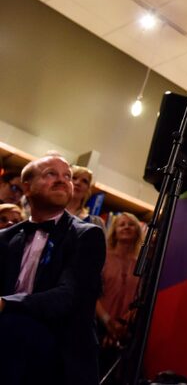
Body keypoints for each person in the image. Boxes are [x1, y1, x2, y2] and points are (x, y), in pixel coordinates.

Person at [0, 155, 106, 384]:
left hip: (60, 356)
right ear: (27, 187)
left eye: (67, 176)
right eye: (51, 174)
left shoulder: (87, 235)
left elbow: (68, 296)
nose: (62, 181)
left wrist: (6, 303)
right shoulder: (5, 238)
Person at [96, 212, 142, 358]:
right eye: (121, 224)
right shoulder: (103, 257)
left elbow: (140, 299)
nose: (126, 227)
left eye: (131, 225)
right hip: (96, 326)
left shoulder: (142, 266)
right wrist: (107, 322)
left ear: (138, 232)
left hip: (125, 332)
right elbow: (91, 293)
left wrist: (122, 325)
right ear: (114, 232)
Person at [68, 165, 105, 229]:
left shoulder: (94, 223)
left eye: (84, 181)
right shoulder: (49, 210)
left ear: (88, 189)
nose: (78, 183)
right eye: (74, 178)